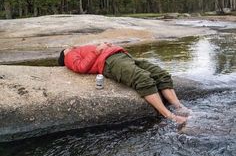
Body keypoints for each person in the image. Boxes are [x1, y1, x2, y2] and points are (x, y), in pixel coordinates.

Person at [58, 42, 190, 124]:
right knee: (143, 79)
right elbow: (81, 67)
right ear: (64, 55)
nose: (68, 47)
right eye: (66, 49)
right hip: (109, 62)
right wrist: (98, 50)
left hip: (122, 56)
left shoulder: (78, 49)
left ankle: (179, 107)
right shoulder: (69, 55)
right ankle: (169, 116)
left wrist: (106, 46)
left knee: (161, 75)